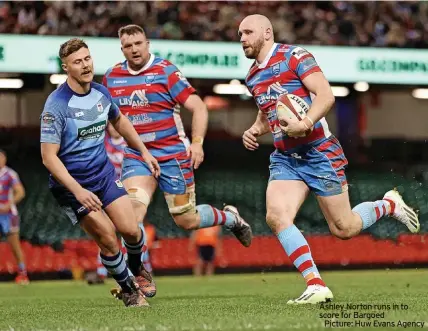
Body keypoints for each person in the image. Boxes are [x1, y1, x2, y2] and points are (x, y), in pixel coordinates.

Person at [239, 14, 419, 304]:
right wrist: (255, 129)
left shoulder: (295, 56)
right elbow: (266, 109)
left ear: (267, 33)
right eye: (240, 34)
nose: (243, 38)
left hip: (319, 152)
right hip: (285, 157)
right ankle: (316, 284)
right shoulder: (252, 75)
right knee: (276, 216)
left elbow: (325, 95)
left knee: (344, 228)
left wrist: (306, 122)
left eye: (248, 32)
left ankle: (388, 205)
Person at [103, 24, 253, 296]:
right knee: (131, 217)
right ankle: (137, 275)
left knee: (187, 220)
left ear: (148, 44)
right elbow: (110, 117)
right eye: (128, 45)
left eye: (138, 43)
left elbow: (198, 107)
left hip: (173, 156)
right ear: (121, 49)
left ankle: (230, 218)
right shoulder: (112, 77)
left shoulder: (166, 72)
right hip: (138, 156)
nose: (134, 49)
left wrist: (197, 144)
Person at [40, 37, 161, 307]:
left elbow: (120, 120)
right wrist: (78, 191)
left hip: (104, 176)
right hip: (73, 186)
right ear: (66, 67)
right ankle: (129, 290)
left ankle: (137, 267)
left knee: (132, 230)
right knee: (108, 238)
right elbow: (48, 158)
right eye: (77, 62)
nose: (84, 65)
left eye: (87, 59)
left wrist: (144, 151)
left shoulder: (101, 93)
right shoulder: (56, 106)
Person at [0, 150, 29, 285]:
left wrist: (8, 204)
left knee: (14, 244)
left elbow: (20, 192)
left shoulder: (10, 174)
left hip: (10, 214)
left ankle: (23, 274)